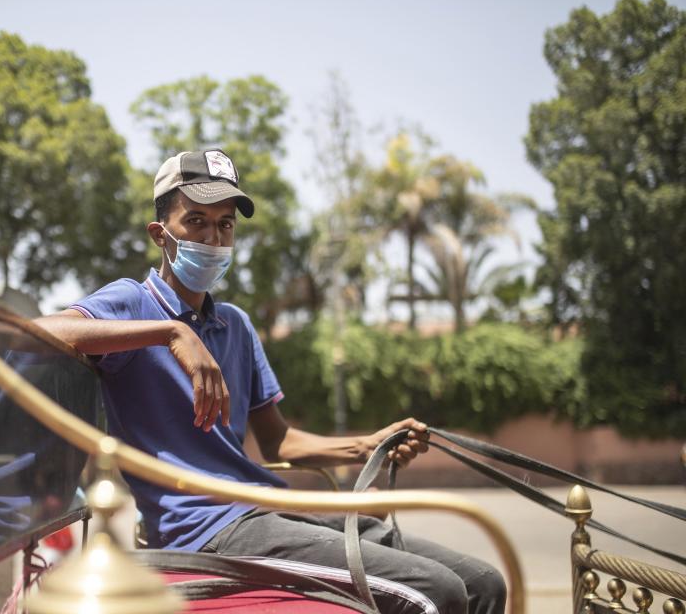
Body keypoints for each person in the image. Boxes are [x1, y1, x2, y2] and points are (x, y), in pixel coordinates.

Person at [35, 149, 506, 614]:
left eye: (225, 225)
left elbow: (277, 441)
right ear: (161, 234)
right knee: (435, 592)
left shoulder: (235, 326)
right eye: (196, 221)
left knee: (484, 583)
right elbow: (40, 331)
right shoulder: (133, 303)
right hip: (209, 530)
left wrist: (367, 445)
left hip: (270, 508)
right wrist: (171, 332)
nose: (213, 237)